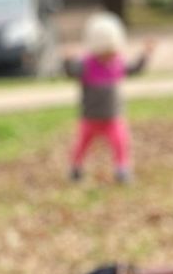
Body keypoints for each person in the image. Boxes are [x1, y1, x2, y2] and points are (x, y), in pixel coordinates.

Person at [64, 11, 155, 184]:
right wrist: (67, 61)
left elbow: (135, 69)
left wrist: (145, 54)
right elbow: (71, 72)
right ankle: (75, 168)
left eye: (111, 53)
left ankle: (122, 170)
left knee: (121, 143)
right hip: (90, 117)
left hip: (113, 117)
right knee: (82, 144)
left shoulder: (117, 63)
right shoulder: (87, 65)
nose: (108, 57)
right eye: (104, 54)